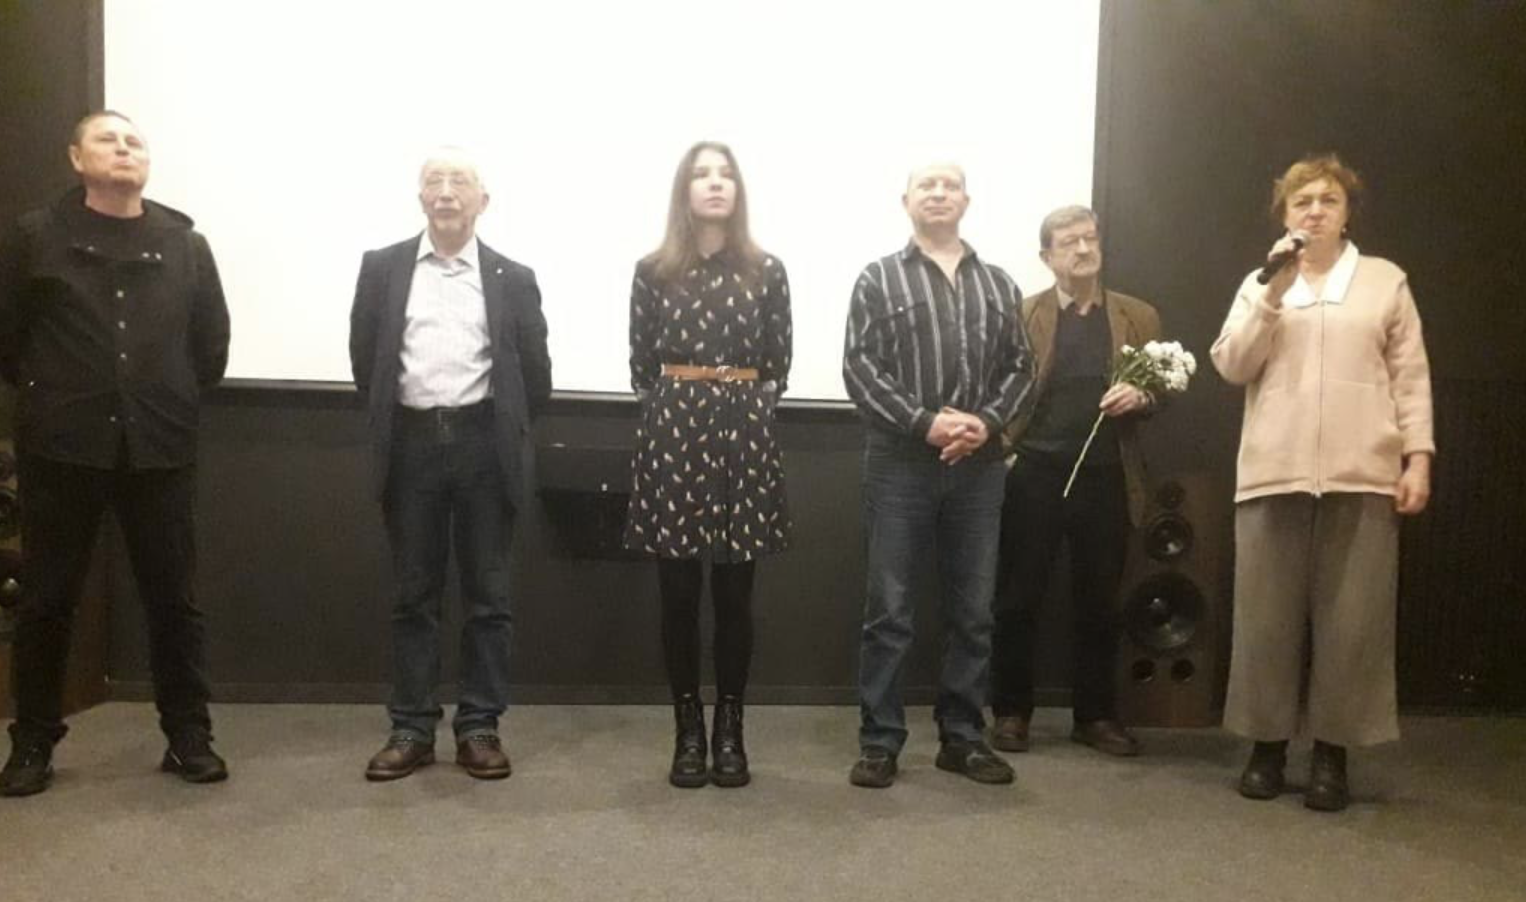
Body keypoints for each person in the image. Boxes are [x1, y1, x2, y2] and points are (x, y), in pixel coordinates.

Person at [0, 110, 232, 796]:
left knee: (173, 602)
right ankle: (32, 743)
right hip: (62, 448)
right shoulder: (34, 237)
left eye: (135, 141)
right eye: (108, 138)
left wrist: (167, 395)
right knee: (46, 601)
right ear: (77, 158)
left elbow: (210, 348)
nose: (124, 148)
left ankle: (188, 736)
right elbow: (8, 339)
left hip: (157, 445)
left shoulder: (185, 244)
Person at [1211, 153, 1433, 812]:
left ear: (1346, 213)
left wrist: (1418, 458)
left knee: (1353, 624)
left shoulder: (1385, 281)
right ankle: (1267, 747)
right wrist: (1271, 293)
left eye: (1328, 200)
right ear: (1284, 215)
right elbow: (1232, 364)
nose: (1314, 211)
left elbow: (1411, 376)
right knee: (1265, 623)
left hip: (1362, 475)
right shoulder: (1262, 282)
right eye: (1302, 201)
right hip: (1272, 474)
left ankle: (1332, 755)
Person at [349, 148, 551, 781]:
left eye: (458, 181)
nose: (445, 191)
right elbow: (365, 360)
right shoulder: (382, 268)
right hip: (410, 444)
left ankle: (479, 725)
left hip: (484, 445)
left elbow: (535, 375)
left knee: (488, 596)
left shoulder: (512, 277)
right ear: (420, 198)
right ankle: (411, 727)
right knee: (414, 595)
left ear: (482, 201)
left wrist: (500, 428)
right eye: (433, 181)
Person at [842, 162, 1034, 788]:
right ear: (906, 200)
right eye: (927, 185)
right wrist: (924, 423)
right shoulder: (877, 278)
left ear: (966, 201)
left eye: (949, 185)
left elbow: (1022, 368)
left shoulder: (999, 284)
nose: (938, 193)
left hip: (979, 468)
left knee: (973, 612)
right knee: (890, 611)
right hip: (900, 464)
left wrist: (986, 422)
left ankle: (963, 738)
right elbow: (859, 368)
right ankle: (880, 742)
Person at [625, 141, 792, 788]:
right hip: (674, 431)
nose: (715, 183)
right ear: (684, 190)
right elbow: (643, 366)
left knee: (734, 596)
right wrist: (687, 404)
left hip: (744, 432)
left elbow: (776, 363)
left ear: (738, 190)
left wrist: (733, 404)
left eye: (725, 174)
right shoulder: (652, 271)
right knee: (677, 595)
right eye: (701, 174)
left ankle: (730, 727)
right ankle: (687, 728)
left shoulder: (767, 271)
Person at [989, 205, 1159, 757]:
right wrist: (1006, 455)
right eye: (1070, 242)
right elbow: (999, 388)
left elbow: (1162, 391)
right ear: (1047, 257)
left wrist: (1143, 396)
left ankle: (1096, 715)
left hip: (1108, 476)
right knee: (1018, 598)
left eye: (1090, 238)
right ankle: (1011, 712)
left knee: (1101, 601)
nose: (1084, 249)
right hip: (1034, 473)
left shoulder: (1138, 315)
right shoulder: (1023, 314)